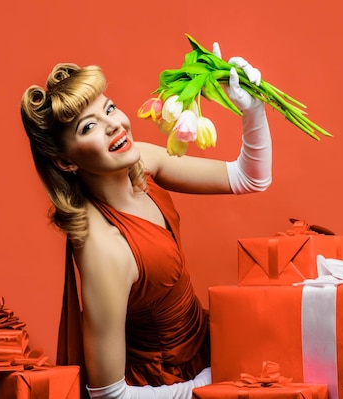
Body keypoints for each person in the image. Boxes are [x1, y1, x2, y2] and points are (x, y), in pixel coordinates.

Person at [20, 42, 272, 399]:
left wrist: (253, 108)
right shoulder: (103, 248)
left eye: (110, 108)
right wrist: (206, 386)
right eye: (89, 126)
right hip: (170, 388)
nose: (114, 125)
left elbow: (251, 178)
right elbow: (109, 395)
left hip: (211, 355)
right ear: (66, 162)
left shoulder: (141, 163)